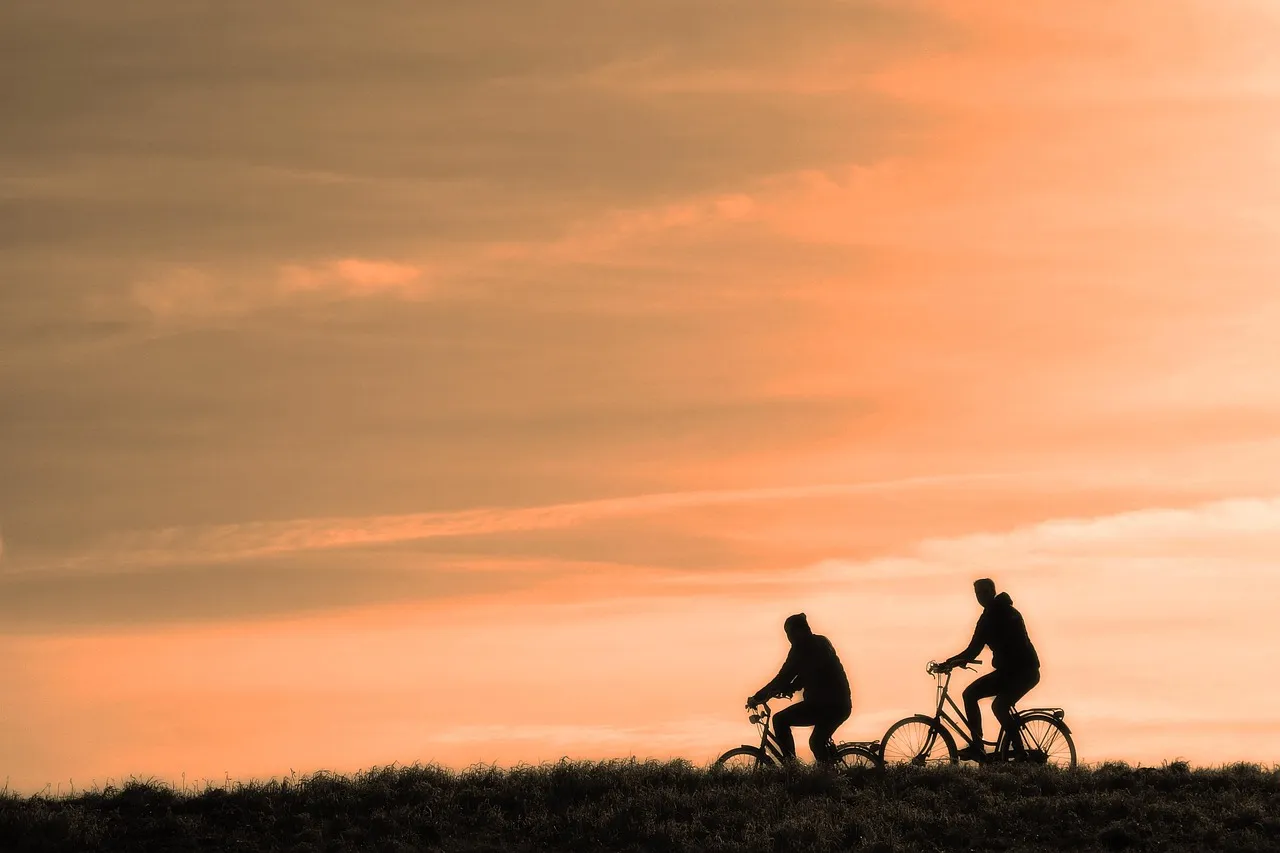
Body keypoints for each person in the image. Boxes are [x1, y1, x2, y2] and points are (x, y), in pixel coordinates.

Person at [939, 578, 1041, 762]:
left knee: (993, 704)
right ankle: (983, 747)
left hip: (1023, 671)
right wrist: (952, 661)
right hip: (1012, 671)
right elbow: (973, 649)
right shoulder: (994, 614)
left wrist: (952, 662)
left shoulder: (1000, 615)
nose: (981, 596)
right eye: (978, 593)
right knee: (977, 697)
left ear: (993, 591)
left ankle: (1016, 752)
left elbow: (974, 650)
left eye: (985, 592)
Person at [747, 613, 852, 763]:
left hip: (827, 705)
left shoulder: (802, 649)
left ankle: (792, 768)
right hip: (836, 704)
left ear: (798, 631)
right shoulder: (820, 642)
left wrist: (758, 697)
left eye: (789, 634)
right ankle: (825, 773)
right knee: (817, 742)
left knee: (781, 721)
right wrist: (789, 688)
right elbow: (810, 673)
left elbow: (785, 675)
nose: (789, 638)